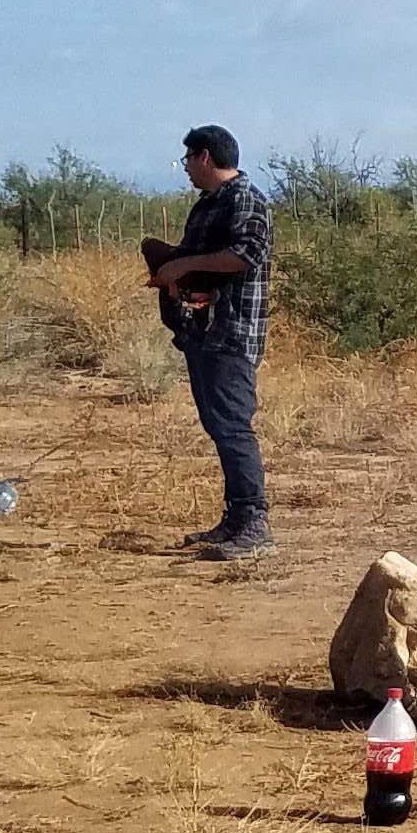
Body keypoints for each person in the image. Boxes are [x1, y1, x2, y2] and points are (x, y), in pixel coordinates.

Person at [141, 125, 274, 560]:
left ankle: (254, 523)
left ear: (204, 156)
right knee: (221, 427)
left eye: (187, 160)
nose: (185, 170)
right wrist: (174, 273)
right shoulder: (208, 205)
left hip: (232, 331)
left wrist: (182, 267)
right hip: (205, 330)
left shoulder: (246, 199)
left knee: (234, 427)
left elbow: (246, 254)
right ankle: (236, 519)